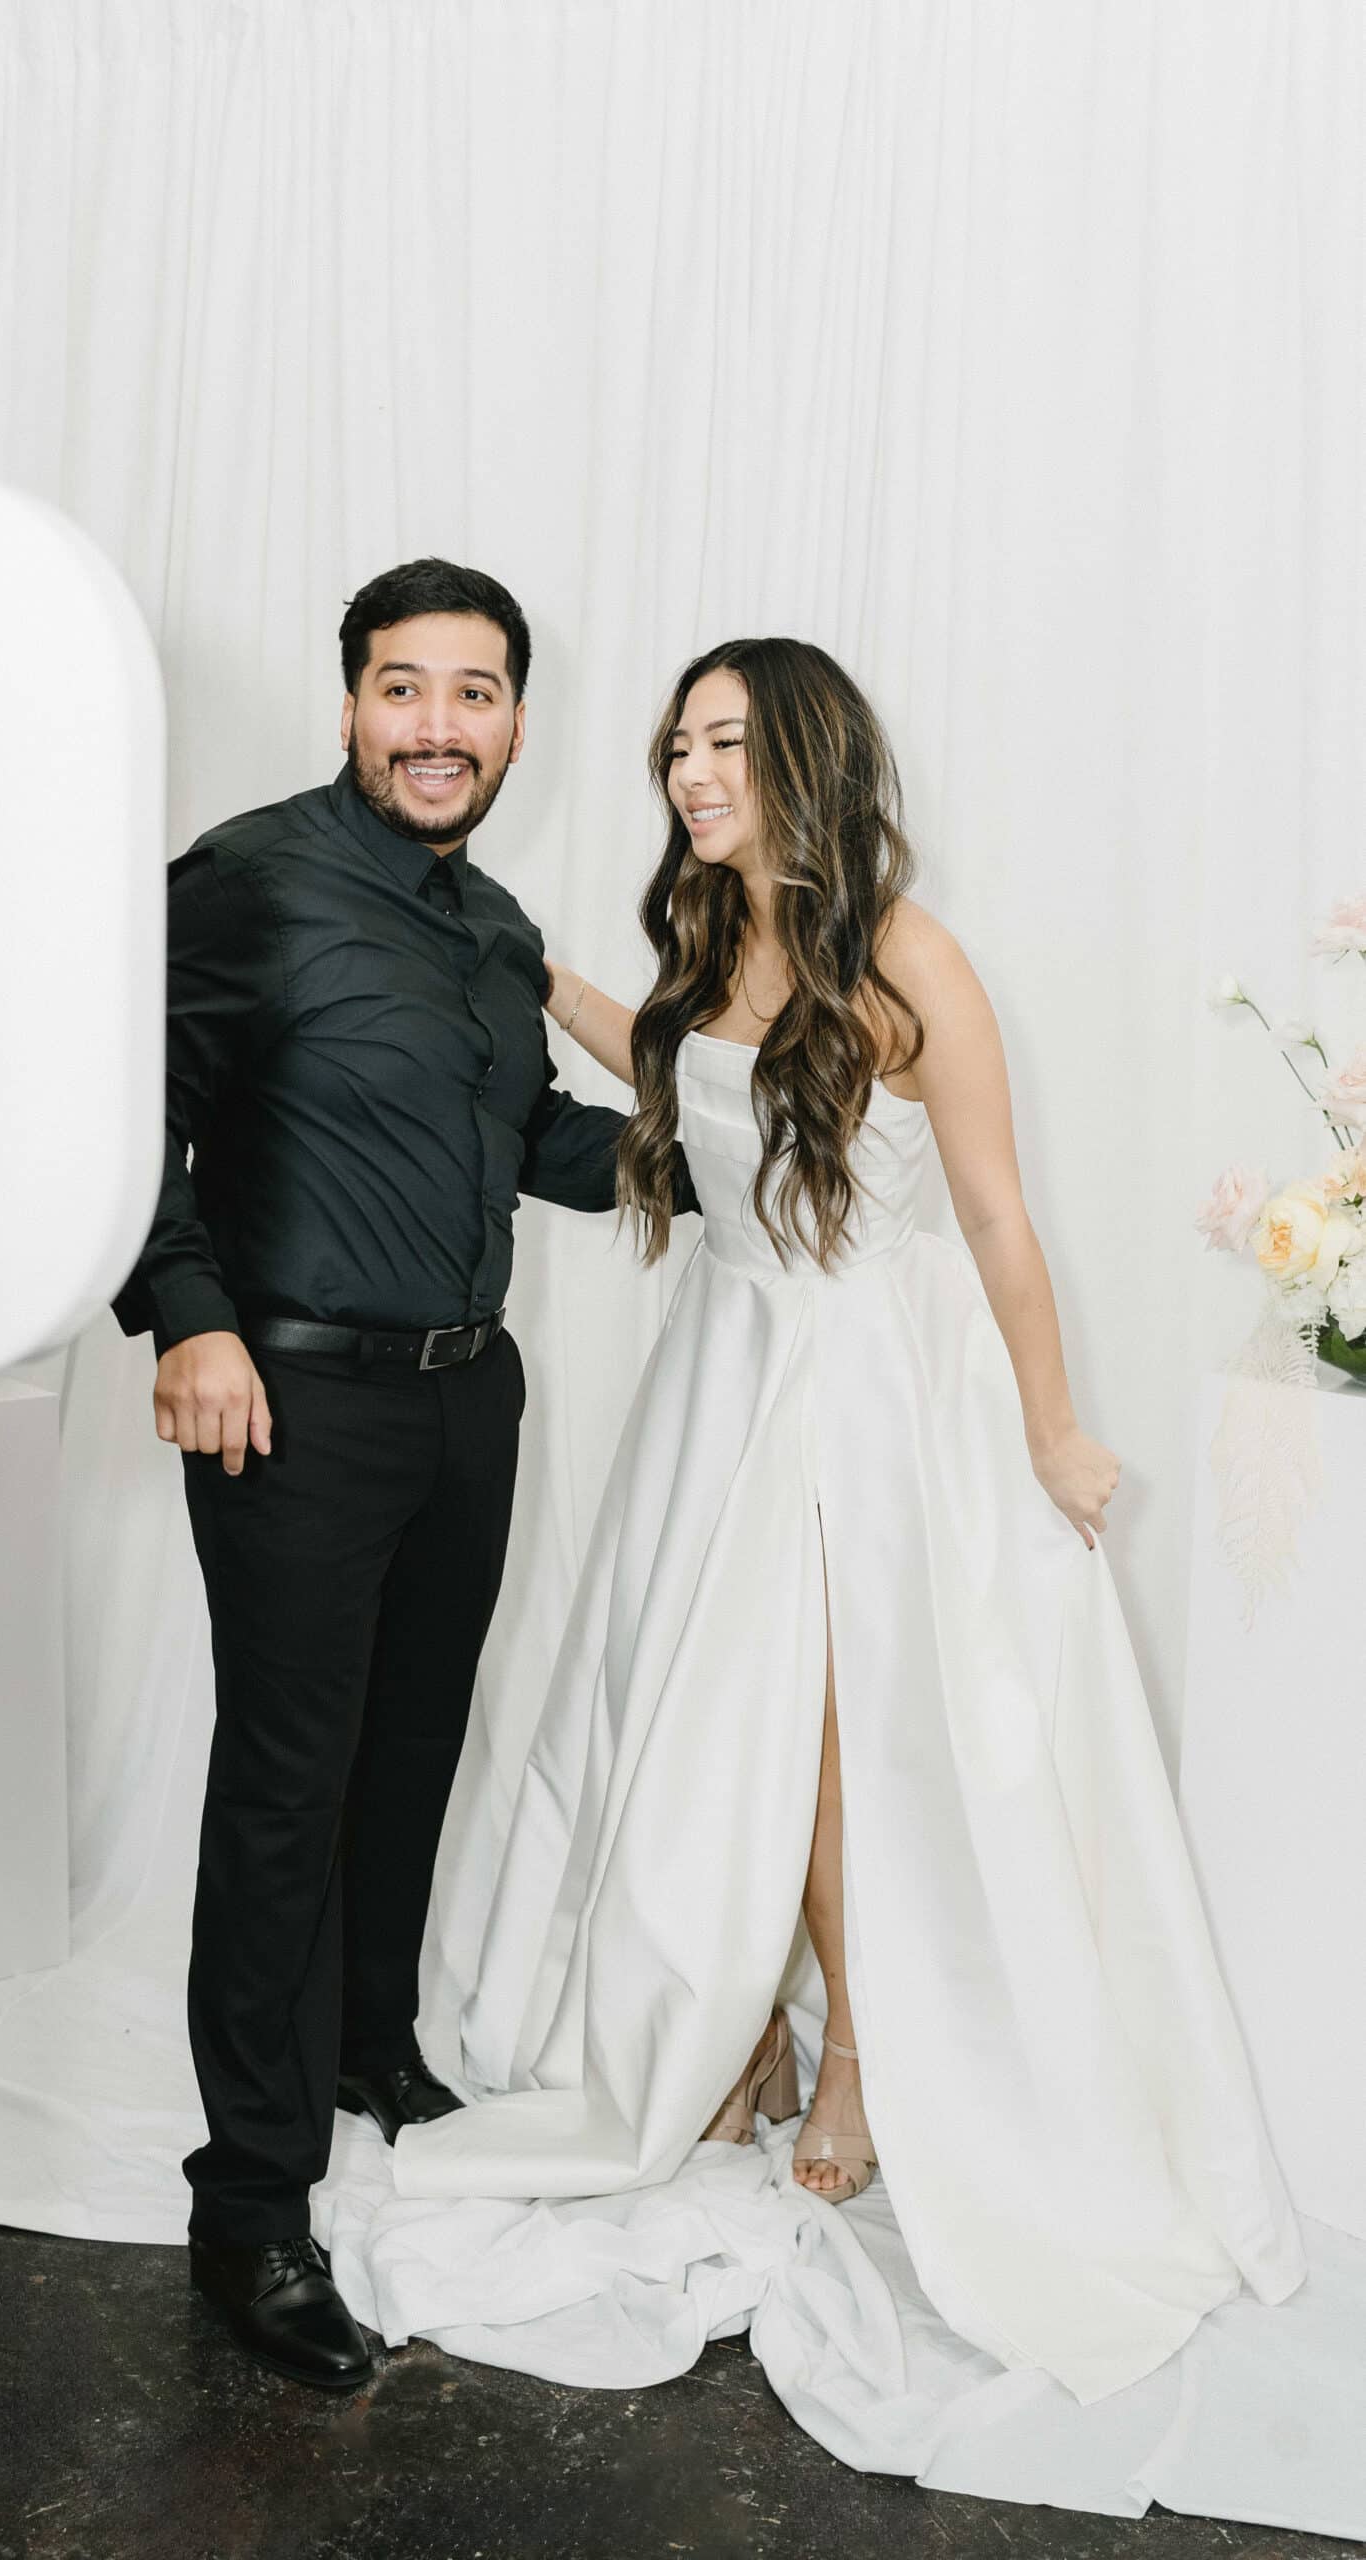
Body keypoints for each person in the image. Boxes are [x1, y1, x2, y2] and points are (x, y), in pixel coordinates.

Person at [387, 636, 1304, 2405]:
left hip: (873, 1384)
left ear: (806, 754)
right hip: (720, 1378)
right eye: (676, 746)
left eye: (723, 742)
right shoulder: (707, 938)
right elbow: (664, 1068)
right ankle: (718, 2025)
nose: (689, 773)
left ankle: (862, 2061)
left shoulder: (908, 952)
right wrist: (528, 962)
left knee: (825, 1743)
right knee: (700, 1719)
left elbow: (999, 1219)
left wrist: (1052, 1427)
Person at [112, 558, 691, 2391]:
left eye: (475, 694)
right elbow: (117, 1097)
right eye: (403, 689)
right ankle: (253, 2210)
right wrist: (184, 1317)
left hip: (464, 1401)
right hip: (285, 1397)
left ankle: (370, 2049)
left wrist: (715, 1144)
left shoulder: (502, 927)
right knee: (286, 1788)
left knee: (415, 1736)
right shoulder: (249, 877)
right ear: (353, 700)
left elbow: (530, 1136)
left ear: (519, 719)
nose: (438, 727)